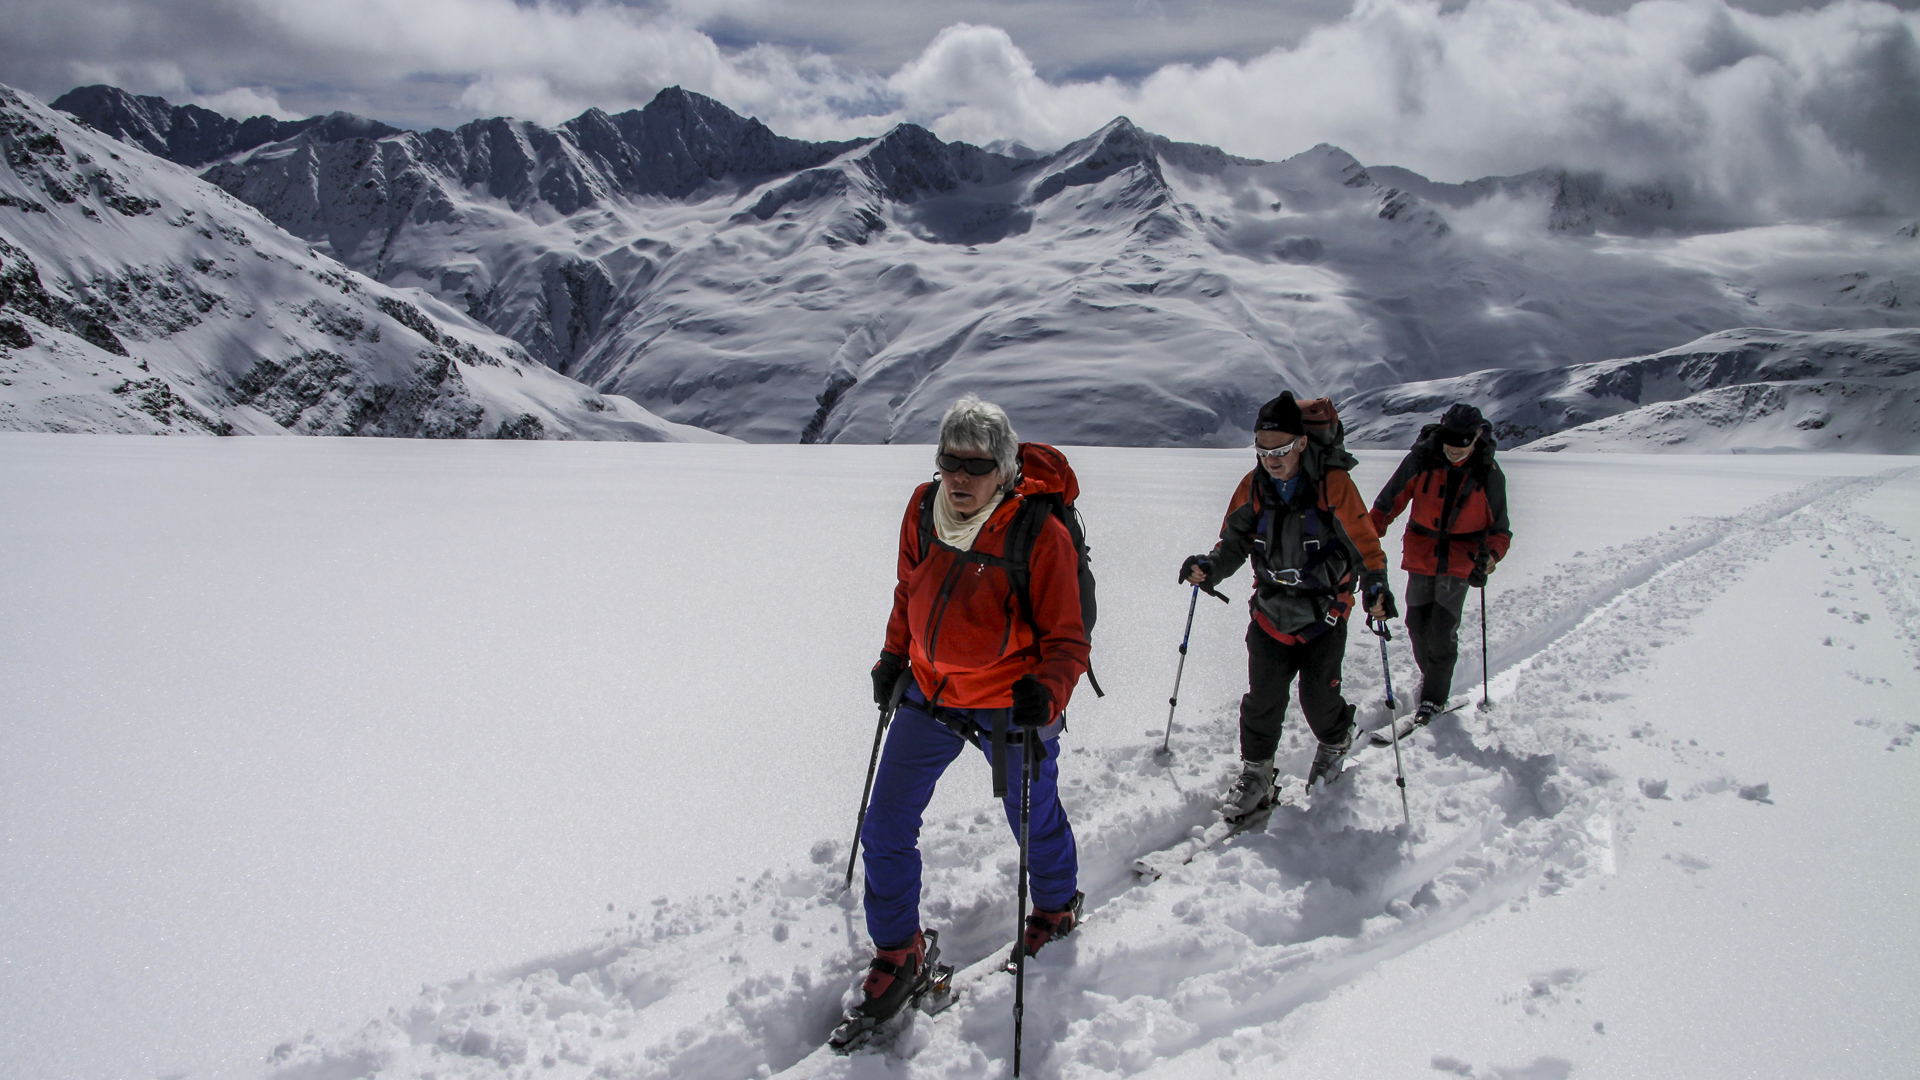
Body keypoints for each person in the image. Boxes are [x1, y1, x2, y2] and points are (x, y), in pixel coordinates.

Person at [853, 395, 1091, 1029]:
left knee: (1031, 814)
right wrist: (892, 655)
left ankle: (1056, 905)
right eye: (949, 462)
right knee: (885, 825)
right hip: (928, 692)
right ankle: (898, 950)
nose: (960, 478)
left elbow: (1068, 638)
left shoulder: (1041, 533)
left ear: (1005, 470)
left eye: (976, 466)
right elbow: (910, 588)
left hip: (1012, 701)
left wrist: (1050, 690)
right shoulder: (922, 509)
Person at [1179, 391, 1394, 813]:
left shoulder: (1333, 484)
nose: (1271, 460)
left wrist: (1375, 585)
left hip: (1324, 613)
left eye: (1279, 450)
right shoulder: (1254, 484)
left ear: (1301, 443)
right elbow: (1234, 542)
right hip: (1271, 610)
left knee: (1318, 697)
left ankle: (1335, 739)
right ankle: (1257, 772)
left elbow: (1364, 545)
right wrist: (1209, 566)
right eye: (1262, 451)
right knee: (1263, 698)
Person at [1368, 402, 1512, 724]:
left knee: (1442, 629)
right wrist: (1362, 542)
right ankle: (1431, 677)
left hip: (1462, 559)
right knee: (1416, 625)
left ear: (1477, 436)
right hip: (1421, 553)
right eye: (1450, 443)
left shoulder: (1488, 472)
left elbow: (1500, 529)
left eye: (1463, 445)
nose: (1455, 451)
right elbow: (1387, 504)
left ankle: (1434, 699)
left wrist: (1490, 557)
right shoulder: (1422, 458)